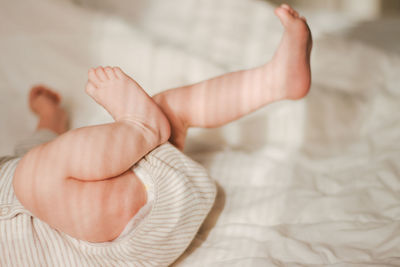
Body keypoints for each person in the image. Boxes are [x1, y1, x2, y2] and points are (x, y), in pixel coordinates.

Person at [0, 4, 312, 266]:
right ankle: (140, 126)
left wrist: (48, 114)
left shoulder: (14, 165)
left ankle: (276, 80)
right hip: (110, 246)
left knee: (167, 107)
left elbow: (43, 139)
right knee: (32, 176)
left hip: (161, 193)